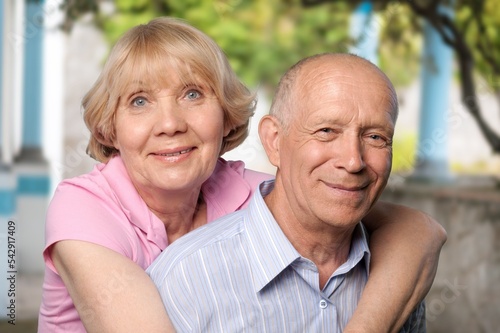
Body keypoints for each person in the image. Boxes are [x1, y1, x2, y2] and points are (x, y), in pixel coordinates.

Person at [38, 17, 445, 333]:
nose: (169, 124)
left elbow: (416, 230)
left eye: (193, 94)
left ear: (225, 114)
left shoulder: (245, 190)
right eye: (139, 101)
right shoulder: (82, 208)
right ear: (110, 128)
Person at [148, 53, 433, 332]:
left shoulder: (399, 275)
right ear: (273, 141)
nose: (353, 161)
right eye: (326, 131)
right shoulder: (185, 280)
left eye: (375, 137)